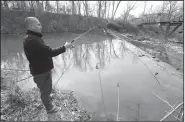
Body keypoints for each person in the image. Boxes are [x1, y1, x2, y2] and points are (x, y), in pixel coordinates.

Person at [23, 17, 74, 114]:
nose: (41, 26)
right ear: (31, 26)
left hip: (41, 70)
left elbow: (44, 51)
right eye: (38, 24)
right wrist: (65, 47)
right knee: (45, 91)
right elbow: (49, 52)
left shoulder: (31, 38)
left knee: (46, 89)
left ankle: (47, 99)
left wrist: (65, 47)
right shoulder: (33, 40)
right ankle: (49, 108)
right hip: (41, 72)